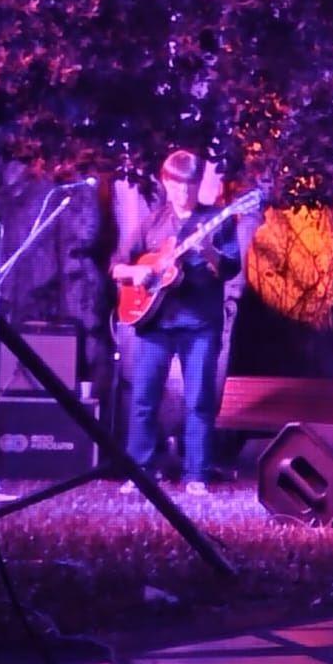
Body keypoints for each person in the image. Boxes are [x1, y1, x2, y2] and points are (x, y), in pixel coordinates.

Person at [110, 149, 243, 495]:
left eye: (190, 184)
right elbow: (117, 265)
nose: (183, 191)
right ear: (166, 183)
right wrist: (135, 273)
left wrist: (208, 251)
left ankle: (196, 474)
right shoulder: (152, 222)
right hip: (154, 323)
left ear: (199, 183)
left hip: (199, 324)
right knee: (143, 398)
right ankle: (139, 471)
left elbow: (230, 268)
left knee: (199, 400)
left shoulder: (217, 220)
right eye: (177, 184)